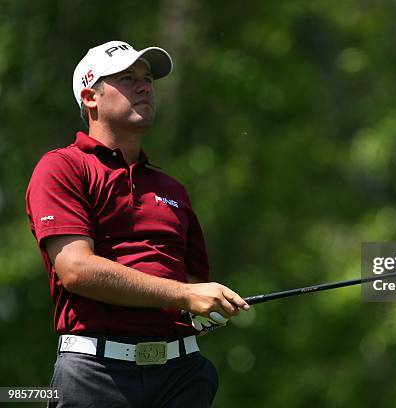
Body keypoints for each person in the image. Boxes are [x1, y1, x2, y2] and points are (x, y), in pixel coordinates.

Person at [25, 40, 249, 407]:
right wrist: (186, 296)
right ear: (90, 97)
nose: (144, 86)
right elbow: (76, 269)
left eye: (147, 78)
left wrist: (209, 308)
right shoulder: (62, 167)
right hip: (96, 376)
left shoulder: (171, 188)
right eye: (127, 78)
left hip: (182, 375)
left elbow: (193, 286)